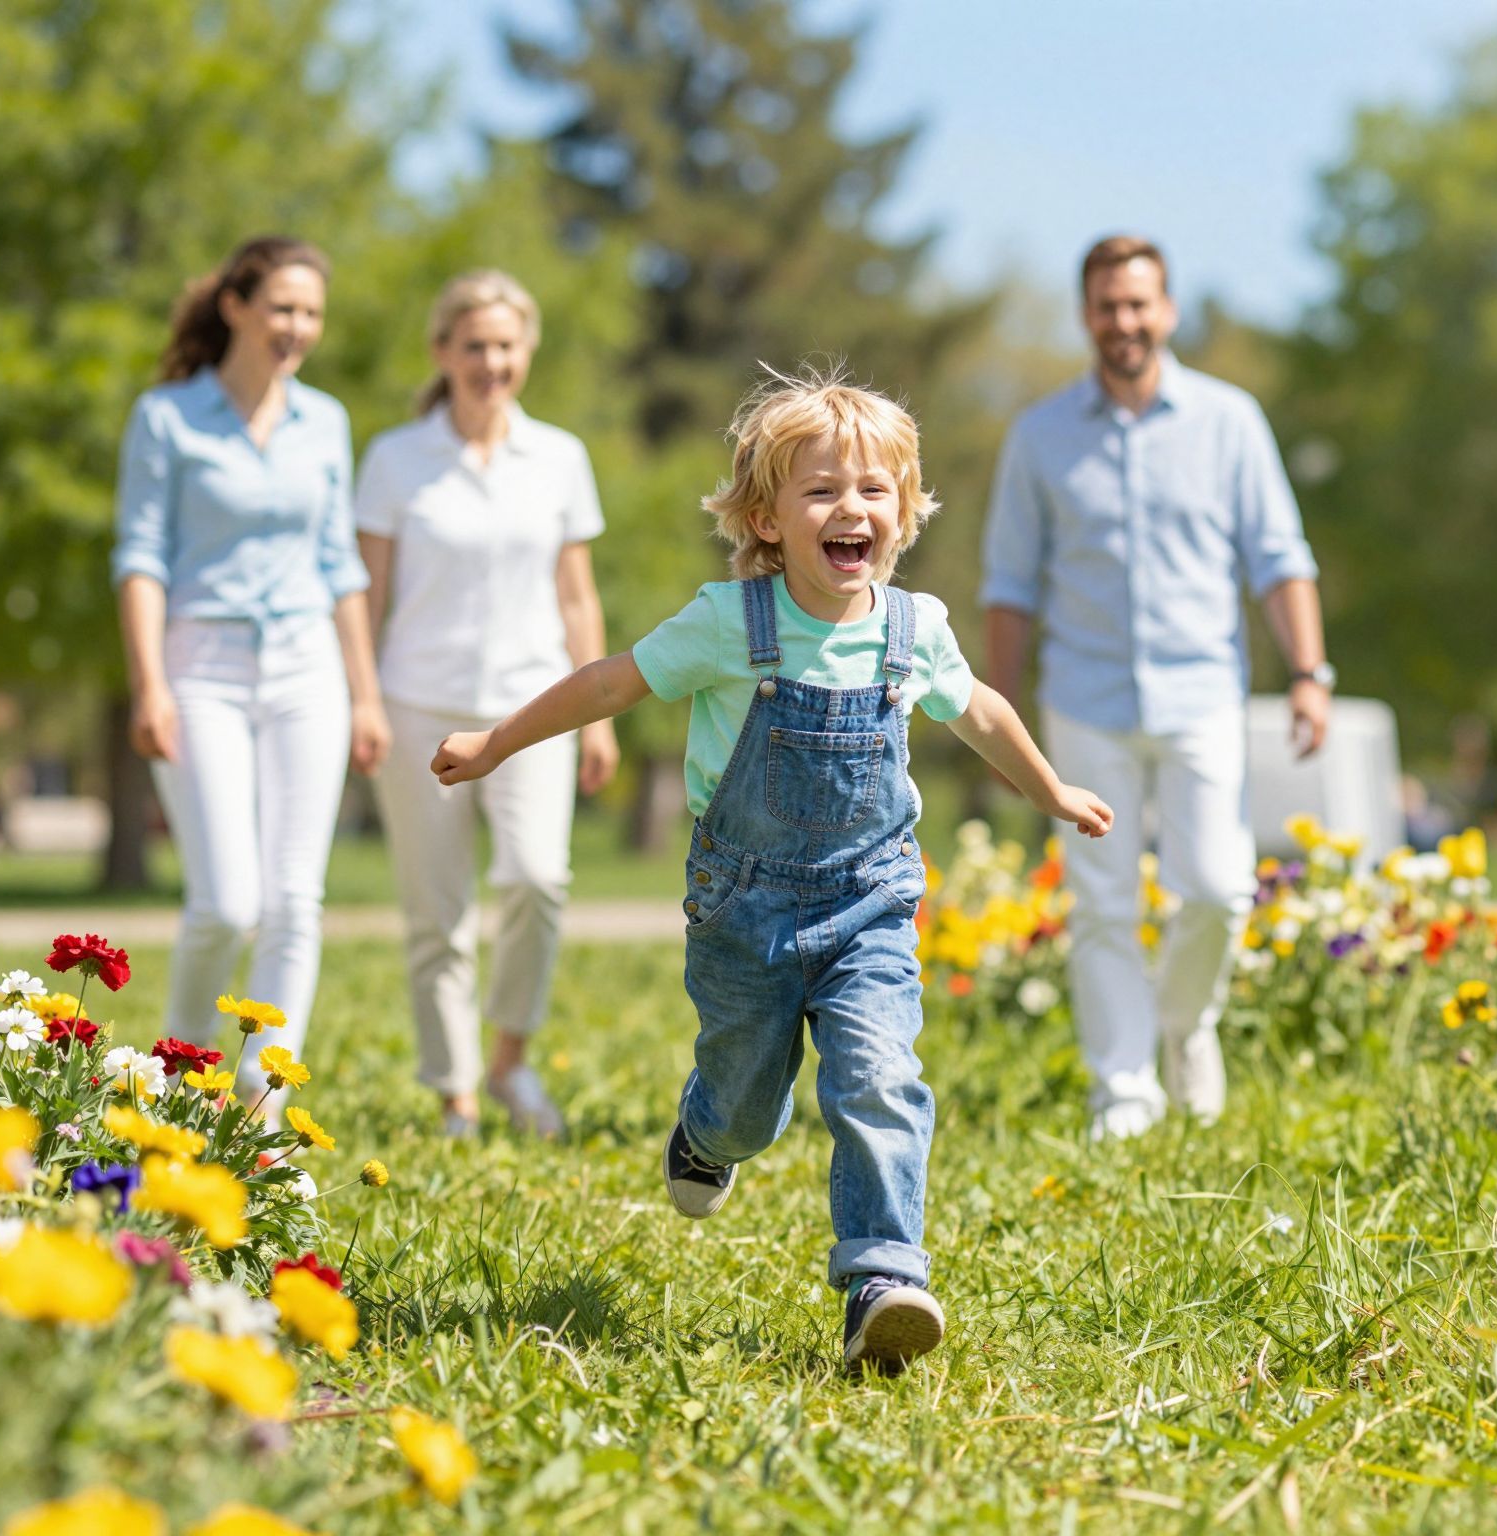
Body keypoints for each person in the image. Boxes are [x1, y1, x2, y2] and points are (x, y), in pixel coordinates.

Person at [429, 369, 1112, 1374]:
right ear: (765, 516)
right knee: (746, 1100)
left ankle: (881, 1279)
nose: (852, 510)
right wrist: (498, 741)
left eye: (874, 490)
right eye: (823, 490)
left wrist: (1050, 791)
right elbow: (609, 679)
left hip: (870, 900)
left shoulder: (912, 630)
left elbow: (980, 714)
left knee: (880, 1078)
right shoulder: (727, 623)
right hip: (743, 910)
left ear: (904, 511)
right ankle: (707, 1132)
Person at [980, 235, 1330, 1142]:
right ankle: (1123, 1092)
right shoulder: (1040, 436)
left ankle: (1184, 1026)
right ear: (1086, 315)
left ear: (1167, 311)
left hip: (1203, 693)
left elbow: (1279, 558)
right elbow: (1010, 585)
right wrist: (994, 720)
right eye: (1106, 306)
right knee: (1101, 900)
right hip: (1084, 702)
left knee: (1217, 889)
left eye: (1139, 304)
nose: (1123, 322)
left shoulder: (1229, 421)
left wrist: (1308, 674)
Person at [112, 236, 388, 1119]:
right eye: (281, 308)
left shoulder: (327, 422)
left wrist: (365, 692)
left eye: (310, 313)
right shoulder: (167, 418)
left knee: (293, 901)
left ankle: (261, 1108)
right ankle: (178, 1077)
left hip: (309, 665)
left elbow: (339, 563)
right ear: (235, 306)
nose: (296, 328)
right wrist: (149, 684)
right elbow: (141, 558)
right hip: (202, 665)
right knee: (226, 903)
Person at [355, 271, 616, 1139]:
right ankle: (454, 1090)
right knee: (437, 913)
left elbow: (577, 597)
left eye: (506, 346)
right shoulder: (395, 459)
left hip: (529, 707)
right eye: (474, 346)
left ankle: (508, 1063)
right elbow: (368, 592)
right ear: (443, 353)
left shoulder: (560, 458)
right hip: (416, 704)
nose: (491, 362)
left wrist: (599, 714)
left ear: (526, 352)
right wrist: (364, 701)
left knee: (539, 879)